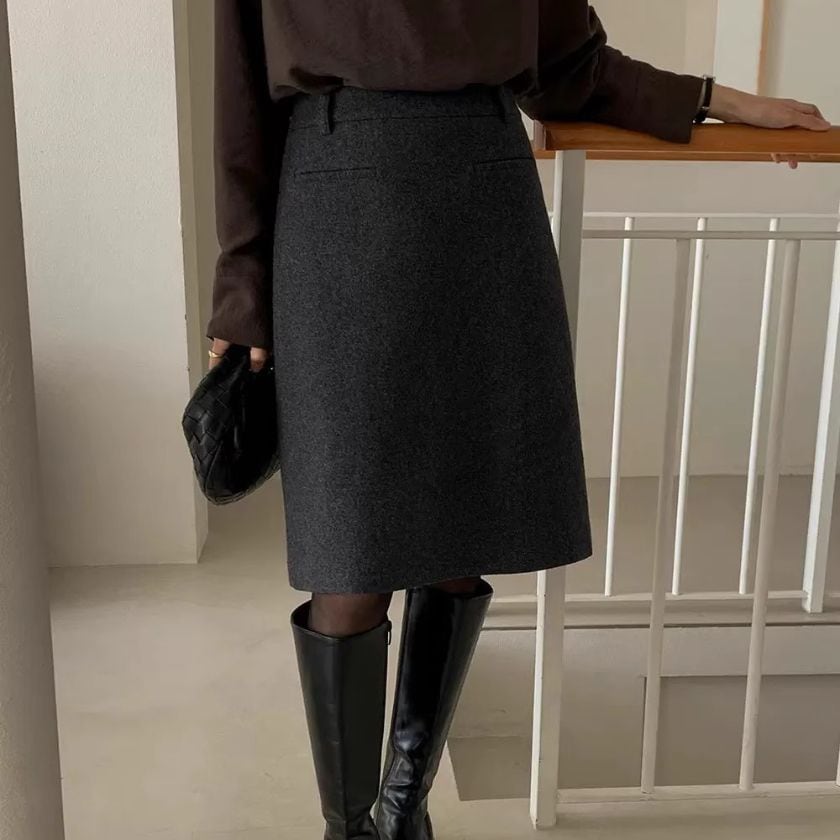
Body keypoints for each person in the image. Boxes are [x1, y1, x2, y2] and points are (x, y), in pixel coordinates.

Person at [206, 2, 829, 838]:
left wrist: (723, 100)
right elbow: (241, 97)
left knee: (464, 535)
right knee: (350, 553)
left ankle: (403, 812)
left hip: (485, 200)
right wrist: (241, 287)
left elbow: (572, 66)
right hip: (340, 204)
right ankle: (347, 827)